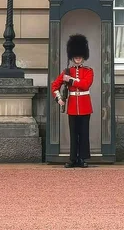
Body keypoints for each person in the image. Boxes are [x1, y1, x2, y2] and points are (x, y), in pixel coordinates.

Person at [51, 34, 94, 168]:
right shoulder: (67, 71)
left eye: (80, 56)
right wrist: (59, 98)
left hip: (85, 105)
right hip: (72, 107)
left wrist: (70, 80)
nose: (78, 58)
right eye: (76, 56)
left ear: (83, 57)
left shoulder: (88, 71)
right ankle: (73, 158)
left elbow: (85, 85)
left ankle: (82, 158)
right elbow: (54, 86)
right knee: (73, 134)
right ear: (72, 56)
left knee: (84, 133)